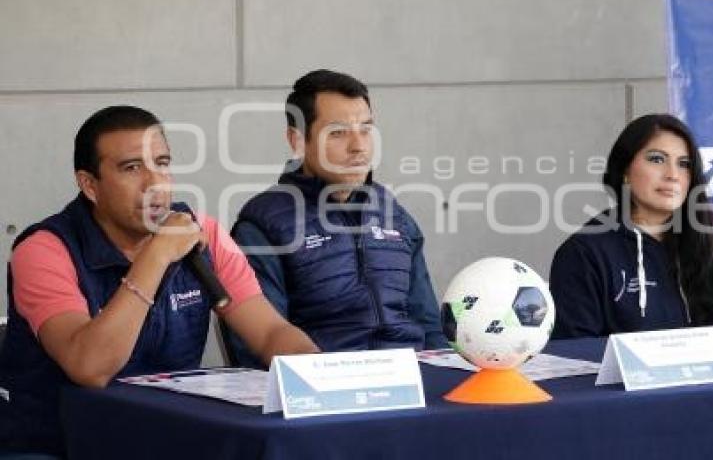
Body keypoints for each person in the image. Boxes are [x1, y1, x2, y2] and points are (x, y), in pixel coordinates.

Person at [0, 106, 318, 458]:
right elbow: (89, 367)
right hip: (59, 444)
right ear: (90, 185)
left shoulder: (203, 233)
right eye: (132, 168)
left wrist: (318, 375)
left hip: (166, 437)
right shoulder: (43, 250)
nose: (154, 183)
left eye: (162, 164)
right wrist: (155, 256)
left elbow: (270, 332)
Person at [226, 69, 446, 366]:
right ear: (297, 140)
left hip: (412, 383)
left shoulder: (394, 214)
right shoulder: (263, 225)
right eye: (338, 132)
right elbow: (256, 350)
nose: (359, 146)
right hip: (326, 394)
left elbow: (430, 329)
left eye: (366, 129)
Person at [549, 113, 713, 338]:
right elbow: (574, 356)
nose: (672, 175)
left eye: (684, 164)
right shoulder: (584, 254)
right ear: (625, 171)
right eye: (657, 159)